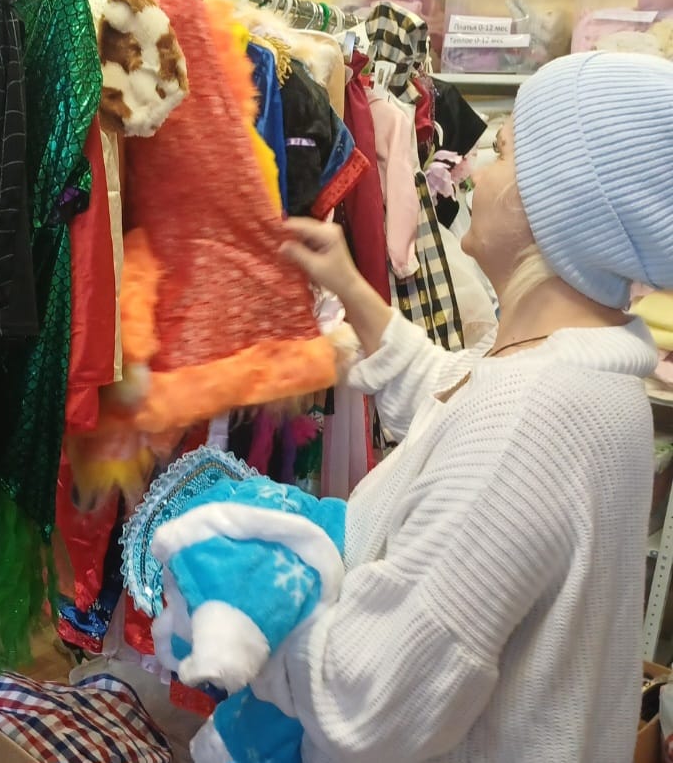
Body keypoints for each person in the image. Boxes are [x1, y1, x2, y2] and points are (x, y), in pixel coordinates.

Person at [268, 51, 673, 762]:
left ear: (558, 203)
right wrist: (351, 288)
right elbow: (453, 395)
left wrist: (243, 597)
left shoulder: (530, 420)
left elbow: (366, 705)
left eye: (505, 153)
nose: (476, 172)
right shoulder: (585, 372)